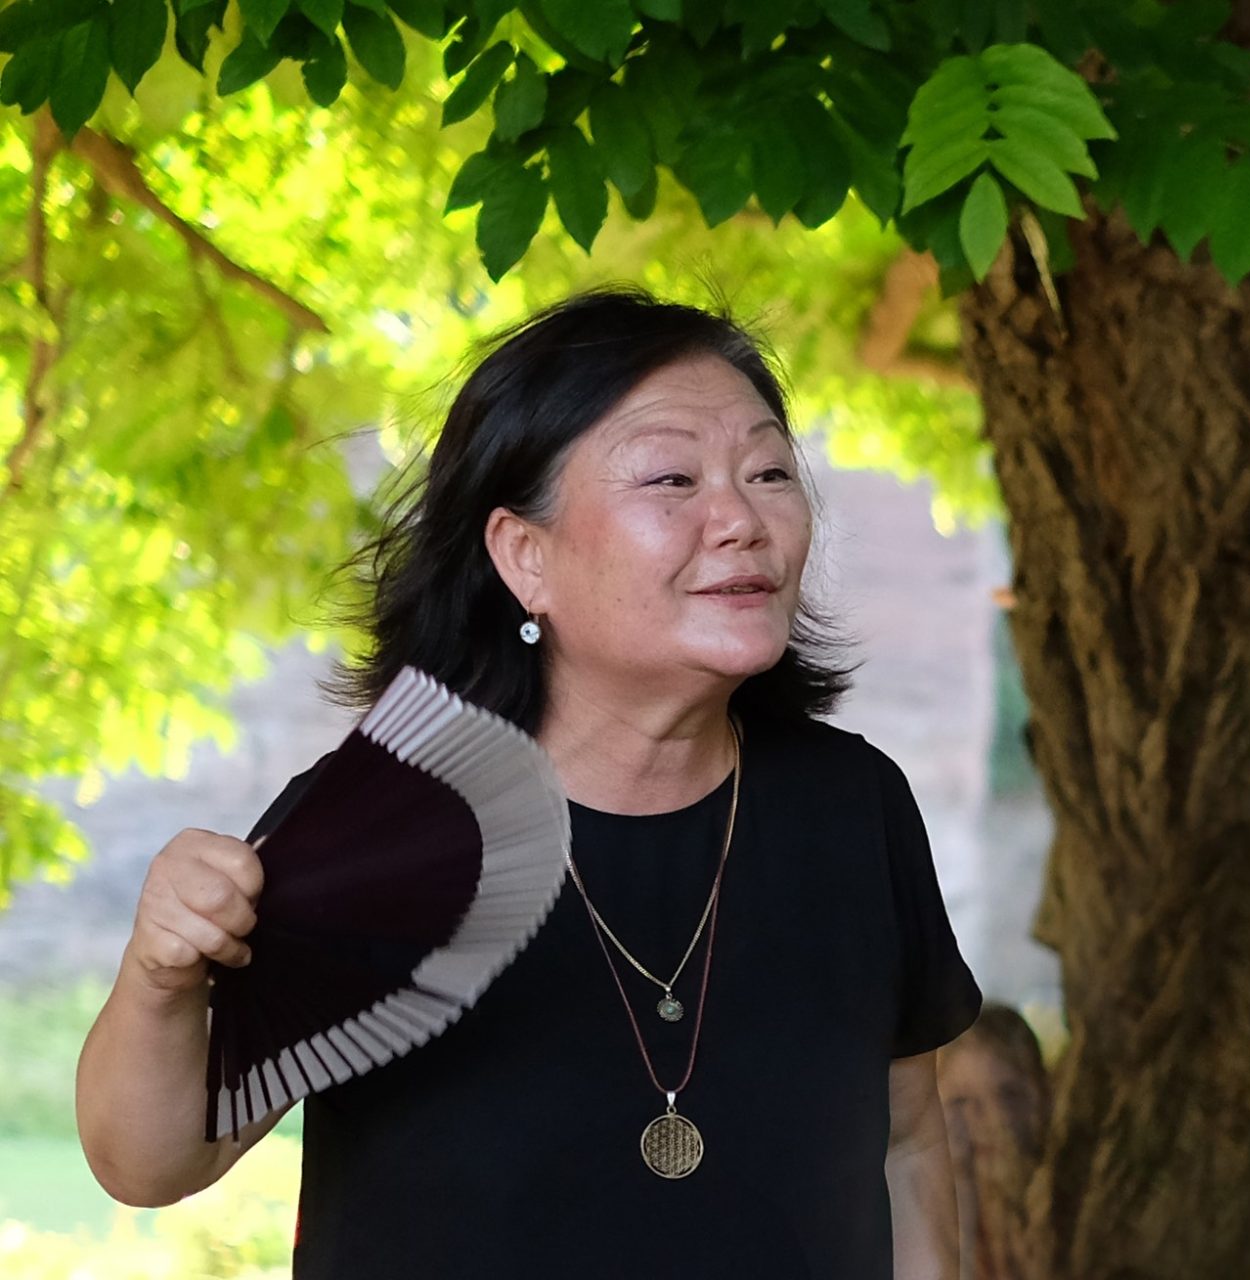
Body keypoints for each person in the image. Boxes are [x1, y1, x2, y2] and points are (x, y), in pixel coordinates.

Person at [77, 288, 984, 1278]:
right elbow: (152, 1161)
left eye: (768, 472)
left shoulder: (852, 808)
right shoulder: (384, 827)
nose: (741, 519)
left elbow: (906, 1146)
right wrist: (161, 975)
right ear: (525, 556)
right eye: (672, 478)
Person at [936, 1003, 1052, 1280]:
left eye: (1010, 1095)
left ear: (1046, 1098)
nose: (993, 1118)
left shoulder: (1073, 1217)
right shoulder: (919, 1229)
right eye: (961, 1102)